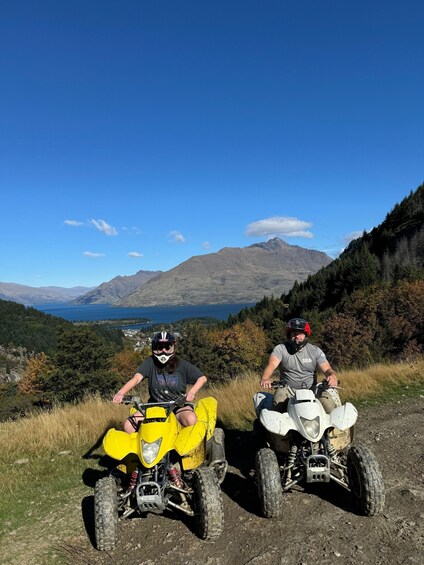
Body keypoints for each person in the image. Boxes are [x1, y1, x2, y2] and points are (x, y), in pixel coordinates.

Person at [113, 331, 207, 433]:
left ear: (173, 348)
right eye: (160, 347)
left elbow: (202, 378)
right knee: (129, 425)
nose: (164, 350)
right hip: (154, 406)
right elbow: (136, 378)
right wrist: (121, 393)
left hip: (178, 405)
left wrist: (192, 392)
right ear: (154, 348)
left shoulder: (182, 364)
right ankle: (137, 449)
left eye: (167, 347)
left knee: (191, 420)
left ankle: (191, 448)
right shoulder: (150, 362)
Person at [260, 318, 340, 413]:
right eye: (294, 333)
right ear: (289, 335)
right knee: (277, 403)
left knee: (329, 404)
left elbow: (327, 368)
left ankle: (332, 427)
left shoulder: (315, 351)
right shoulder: (280, 349)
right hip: (288, 390)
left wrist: (332, 376)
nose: (297, 336)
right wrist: (265, 378)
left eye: (300, 333)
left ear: (306, 335)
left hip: (312, 389)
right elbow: (272, 365)